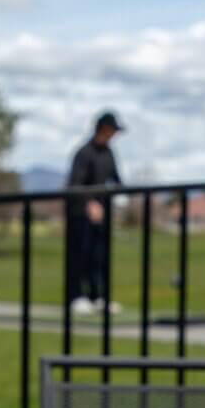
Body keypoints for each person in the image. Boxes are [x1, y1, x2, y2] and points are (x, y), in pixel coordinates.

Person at [65, 111, 124, 315]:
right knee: (80, 255)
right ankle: (76, 296)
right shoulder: (84, 153)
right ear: (103, 129)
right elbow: (75, 184)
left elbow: (116, 180)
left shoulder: (109, 154)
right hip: (80, 214)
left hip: (102, 216)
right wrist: (89, 203)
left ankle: (97, 296)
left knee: (99, 256)